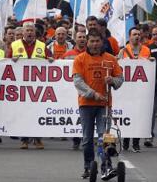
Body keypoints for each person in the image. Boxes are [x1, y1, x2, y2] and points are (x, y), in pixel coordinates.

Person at [73, 29, 123, 180]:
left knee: (104, 136)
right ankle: (88, 166)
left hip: (104, 105)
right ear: (87, 42)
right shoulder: (80, 59)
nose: (95, 44)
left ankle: (106, 167)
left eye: (97, 41)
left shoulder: (110, 59)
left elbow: (120, 79)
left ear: (102, 42)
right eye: (92, 41)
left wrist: (113, 81)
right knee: (87, 138)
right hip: (86, 104)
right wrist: (93, 94)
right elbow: (78, 82)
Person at [8, 22, 53, 149]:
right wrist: (12, 61)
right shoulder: (14, 45)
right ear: (22, 32)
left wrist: (50, 60)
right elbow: (5, 63)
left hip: (37, 87)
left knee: (37, 112)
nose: (29, 33)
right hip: (20, 87)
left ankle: (37, 139)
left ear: (35, 33)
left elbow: (51, 59)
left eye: (31, 31)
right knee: (23, 113)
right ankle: (24, 140)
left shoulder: (42, 46)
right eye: (27, 30)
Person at [118, 27, 151, 152]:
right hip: (127, 89)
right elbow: (118, 64)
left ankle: (136, 143)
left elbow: (149, 66)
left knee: (138, 115)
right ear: (129, 36)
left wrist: (151, 61)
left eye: (138, 34)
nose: (137, 36)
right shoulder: (123, 50)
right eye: (134, 34)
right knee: (127, 114)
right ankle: (125, 142)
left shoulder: (147, 50)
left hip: (140, 90)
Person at [63, 29, 88, 150]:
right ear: (75, 39)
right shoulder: (68, 54)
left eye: (84, 37)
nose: (82, 39)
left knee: (85, 115)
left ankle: (86, 139)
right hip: (70, 89)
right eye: (80, 37)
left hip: (86, 88)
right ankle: (76, 140)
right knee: (73, 113)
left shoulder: (91, 53)